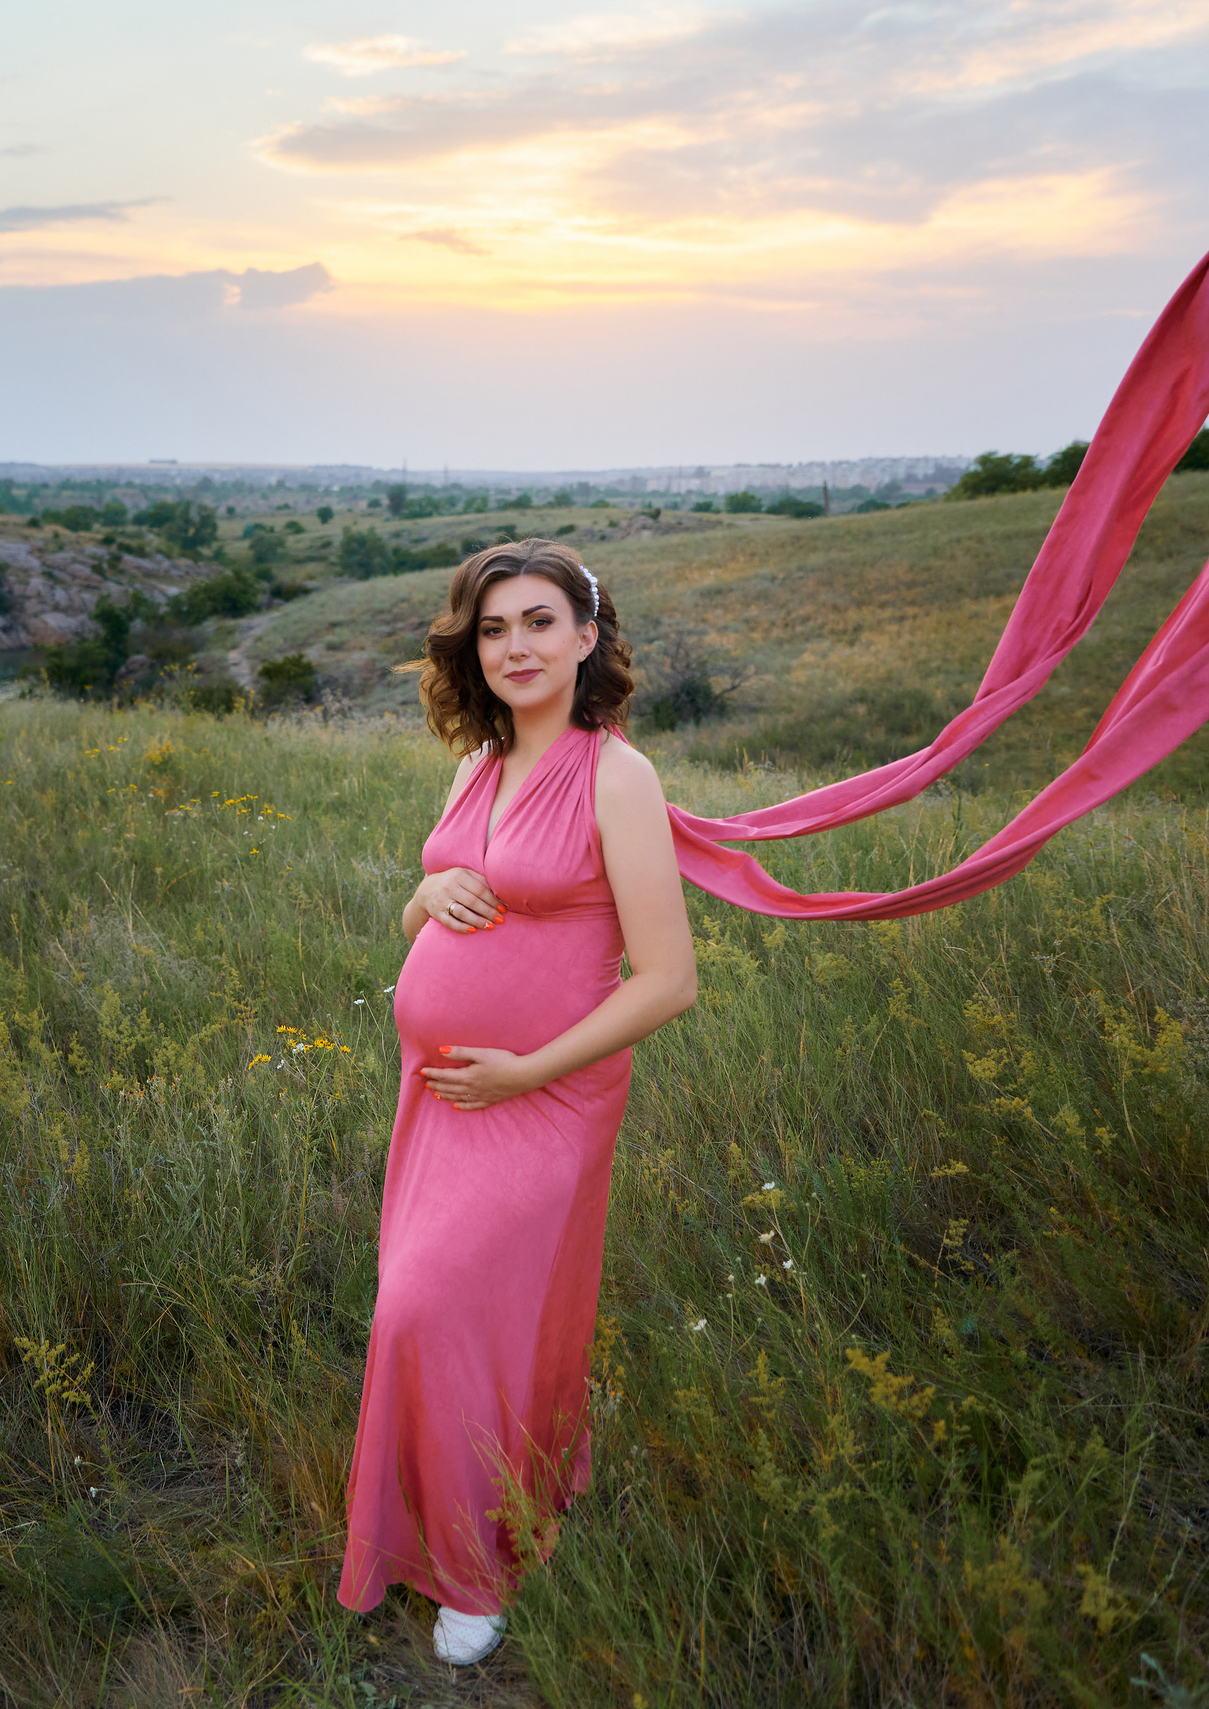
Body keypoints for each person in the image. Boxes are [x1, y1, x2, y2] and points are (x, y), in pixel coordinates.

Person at [335, 538, 699, 1665]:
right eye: (493, 629)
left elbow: (668, 980)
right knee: (444, 1311)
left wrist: (526, 1071)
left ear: (587, 637)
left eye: (539, 621)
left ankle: (476, 1564)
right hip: (439, 1097)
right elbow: (431, 918)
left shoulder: (615, 775)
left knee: (431, 1309)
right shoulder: (473, 768)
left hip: (545, 1099)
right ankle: (496, 1502)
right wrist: (422, 891)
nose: (515, 646)